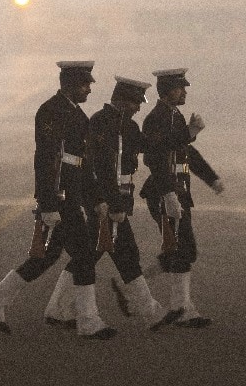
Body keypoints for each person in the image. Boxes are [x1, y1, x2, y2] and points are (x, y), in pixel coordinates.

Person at [0, 61, 117, 340]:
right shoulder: (51, 111)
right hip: (60, 197)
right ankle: (88, 320)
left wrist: (96, 198)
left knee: (47, 256)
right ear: (69, 84)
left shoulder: (76, 114)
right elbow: (45, 159)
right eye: (84, 84)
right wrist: (49, 204)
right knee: (84, 255)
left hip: (70, 195)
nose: (89, 89)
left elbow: (82, 164)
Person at [42, 76, 178, 332]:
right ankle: (149, 311)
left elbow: (150, 146)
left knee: (97, 255)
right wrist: (110, 203)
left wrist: (185, 134)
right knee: (123, 255)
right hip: (105, 203)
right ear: (122, 101)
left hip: (116, 202)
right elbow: (100, 168)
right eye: (135, 103)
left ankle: (57, 308)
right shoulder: (100, 123)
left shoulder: (128, 126)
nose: (138, 108)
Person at [140, 68, 224, 328]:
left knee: (181, 250)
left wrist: (211, 178)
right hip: (164, 191)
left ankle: (180, 307)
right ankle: (143, 291)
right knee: (183, 249)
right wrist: (168, 195)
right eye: (180, 88)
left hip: (178, 191)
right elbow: (154, 156)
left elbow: (187, 153)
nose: (185, 92)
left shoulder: (174, 116)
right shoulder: (156, 119)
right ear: (167, 91)